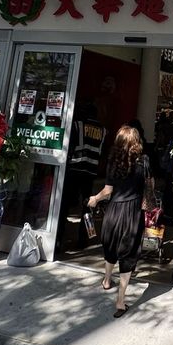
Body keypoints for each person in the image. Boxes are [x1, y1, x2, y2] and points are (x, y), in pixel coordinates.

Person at [87, 124, 152, 318]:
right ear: (136, 142)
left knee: (111, 244)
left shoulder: (114, 161)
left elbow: (108, 191)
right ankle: (120, 301)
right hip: (132, 212)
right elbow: (150, 188)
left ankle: (107, 280)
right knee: (128, 253)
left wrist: (95, 199)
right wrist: (149, 212)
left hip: (114, 210)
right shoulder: (144, 161)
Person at [60, 101, 105, 251]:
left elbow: (70, 145)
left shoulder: (78, 125)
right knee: (88, 207)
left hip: (75, 169)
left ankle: (59, 236)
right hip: (91, 172)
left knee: (64, 205)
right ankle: (85, 238)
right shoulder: (103, 130)